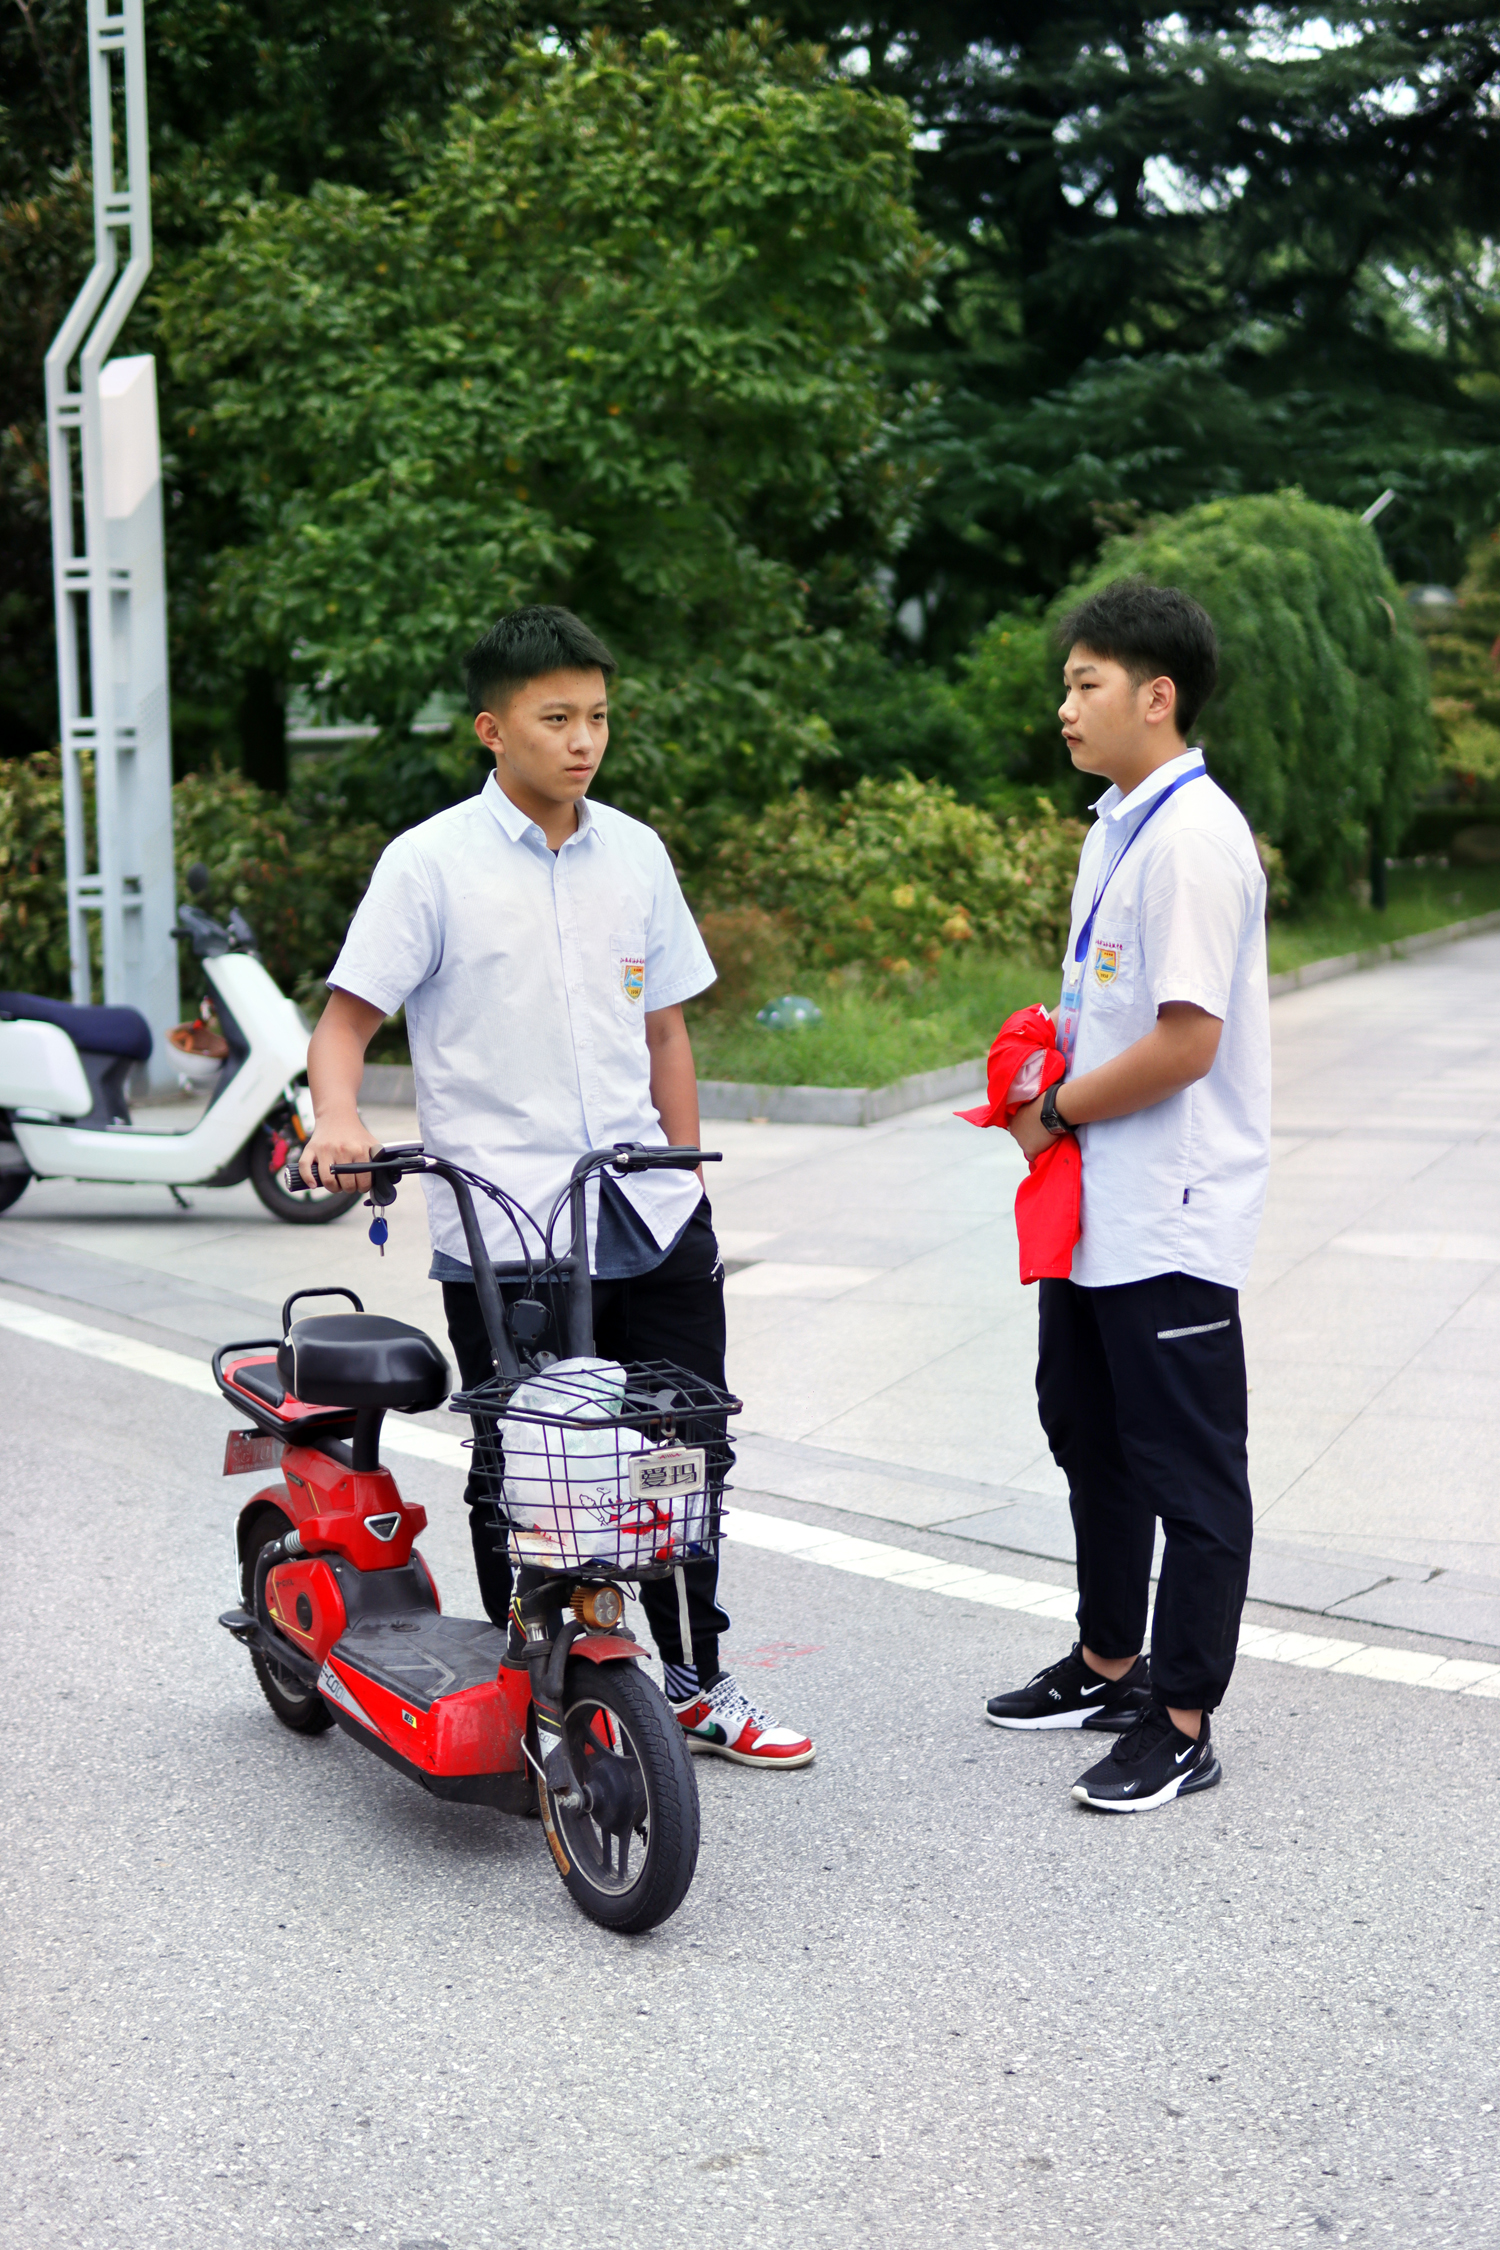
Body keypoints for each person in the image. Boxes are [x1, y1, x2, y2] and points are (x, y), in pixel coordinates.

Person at [298, 603, 814, 1770]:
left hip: (648, 1211)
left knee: (683, 1450)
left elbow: (666, 1032)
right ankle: (541, 1694)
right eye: (556, 719)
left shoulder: (636, 853)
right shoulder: (429, 864)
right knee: (527, 1467)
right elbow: (345, 1026)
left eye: (598, 718)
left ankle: (695, 1683)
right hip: (509, 1227)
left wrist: (687, 1181)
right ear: (492, 729)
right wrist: (339, 1115)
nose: (584, 741)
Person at [983, 579, 1269, 1813]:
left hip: (1172, 1213)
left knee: (1188, 1471)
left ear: (1157, 697)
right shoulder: (1116, 826)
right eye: (1066, 684)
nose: (1065, 707)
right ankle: (1110, 1660)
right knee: (1088, 1433)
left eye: (1084, 684)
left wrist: (1054, 1110)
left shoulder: (1195, 839)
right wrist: (1039, 1072)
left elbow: (1187, 1043)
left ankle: (1184, 1717)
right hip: (1097, 1207)